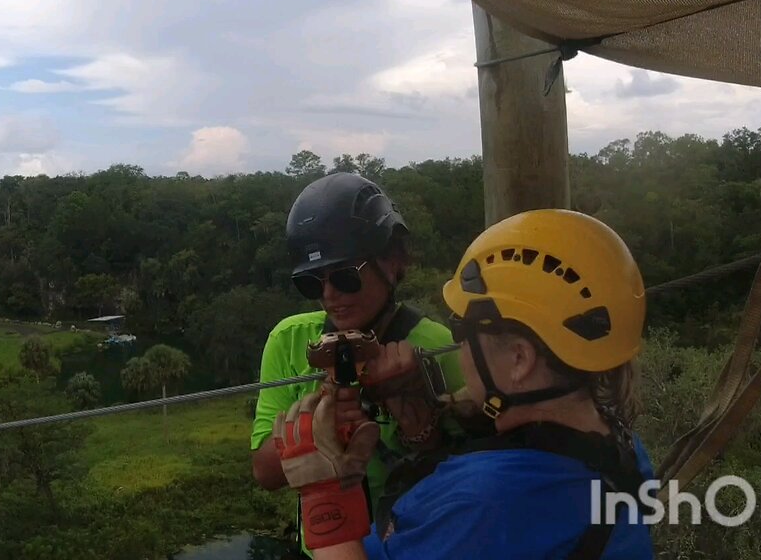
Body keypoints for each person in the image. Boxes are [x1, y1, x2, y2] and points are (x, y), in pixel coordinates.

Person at [272, 208, 655, 559]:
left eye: (463, 329)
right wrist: (423, 429)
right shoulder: (619, 444)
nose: (456, 345)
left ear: (519, 359)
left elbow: (489, 519)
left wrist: (322, 493)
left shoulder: (487, 501)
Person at [249, 172, 467, 556]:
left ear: (393, 261)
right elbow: (265, 474)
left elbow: (468, 473)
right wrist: (312, 430)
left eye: (346, 278)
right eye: (313, 284)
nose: (331, 296)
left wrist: (415, 412)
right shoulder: (290, 341)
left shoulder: (436, 347)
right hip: (327, 544)